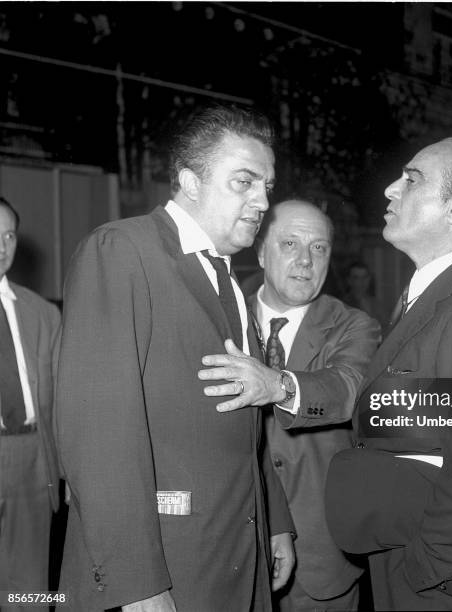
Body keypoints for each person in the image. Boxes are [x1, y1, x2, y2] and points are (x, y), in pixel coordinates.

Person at [56, 106, 295, 612]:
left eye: (267, 186)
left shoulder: (225, 275)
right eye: (244, 182)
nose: (262, 201)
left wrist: (274, 522)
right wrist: (134, 582)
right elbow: (96, 430)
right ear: (190, 181)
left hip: (236, 550)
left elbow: (242, 424)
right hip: (166, 565)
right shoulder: (121, 250)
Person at [324, 137, 452, 610]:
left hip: (447, 579)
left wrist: (428, 568)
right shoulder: (444, 293)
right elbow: (436, 422)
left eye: (412, 179)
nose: (390, 191)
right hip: (415, 552)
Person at [200, 199, 379, 610]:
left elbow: (347, 387)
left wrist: (277, 385)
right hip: (231, 545)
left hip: (320, 557)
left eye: (319, 248)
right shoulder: (217, 315)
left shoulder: (355, 325)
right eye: (290, 244)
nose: (305, 260)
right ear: (261, 250)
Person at [0, 197, 61, 605]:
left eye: (8, 235)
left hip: (32, 460)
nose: (2, 246)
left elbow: (62, 402)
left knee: (29, 593)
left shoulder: (43, 314)